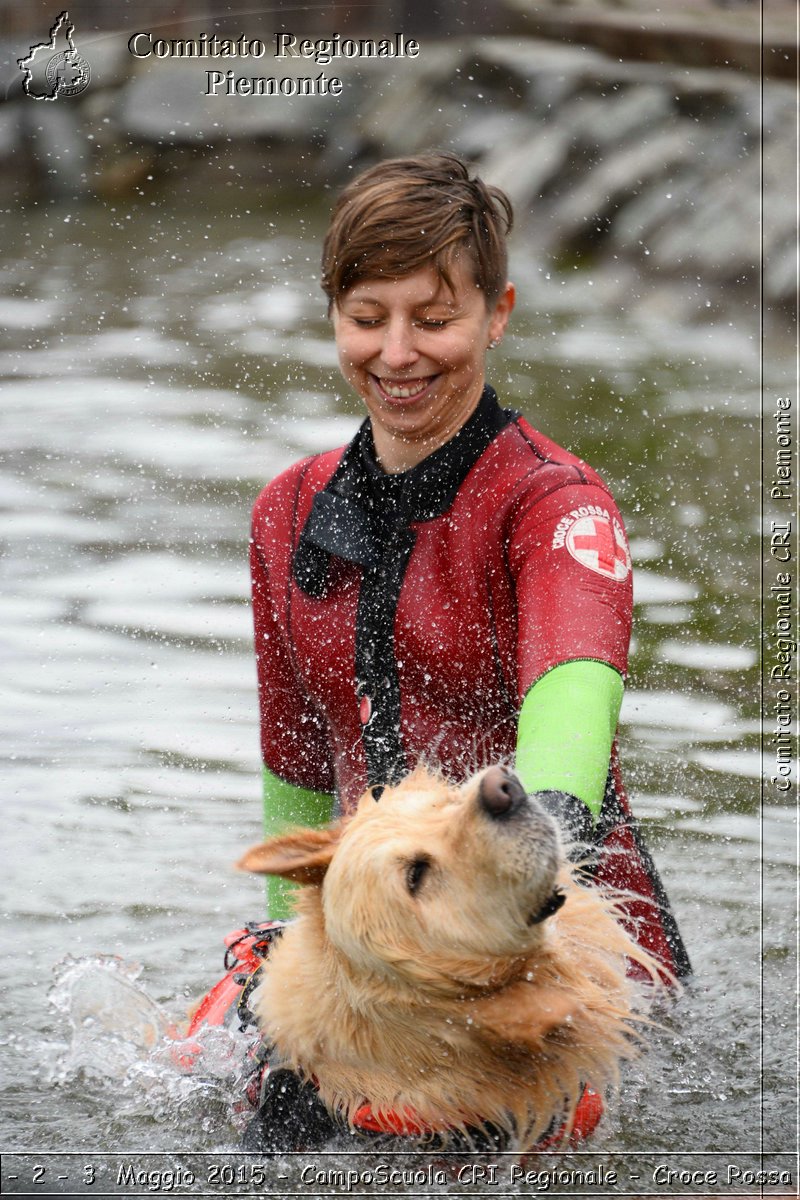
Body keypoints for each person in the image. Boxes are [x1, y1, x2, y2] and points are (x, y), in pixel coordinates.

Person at [249, 152, 690, 979]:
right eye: (367, 317)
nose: (398, 352)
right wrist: (285, 950)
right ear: (335, 316)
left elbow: (577, 687)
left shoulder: (558, 505)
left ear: (498, 314)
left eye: (435, 317)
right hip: (379, 951)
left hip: (560, 937)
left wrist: (544, 845)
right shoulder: (285, 511)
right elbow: (297, 767)